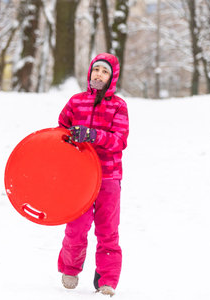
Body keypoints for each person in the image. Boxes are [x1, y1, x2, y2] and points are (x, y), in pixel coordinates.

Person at [57, 53, 129, 296]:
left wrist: (92, 135)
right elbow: (60, 132)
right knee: (76, 227)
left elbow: (119, 140)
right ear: (90, 73)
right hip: (80, 177)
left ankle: (107, 279)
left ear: (112, 78)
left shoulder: (118, 106)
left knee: (108, 231)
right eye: (96, 69)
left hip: (108, 177)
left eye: (105, 71)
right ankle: (70, 267)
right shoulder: (76, 102)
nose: (99, 74)